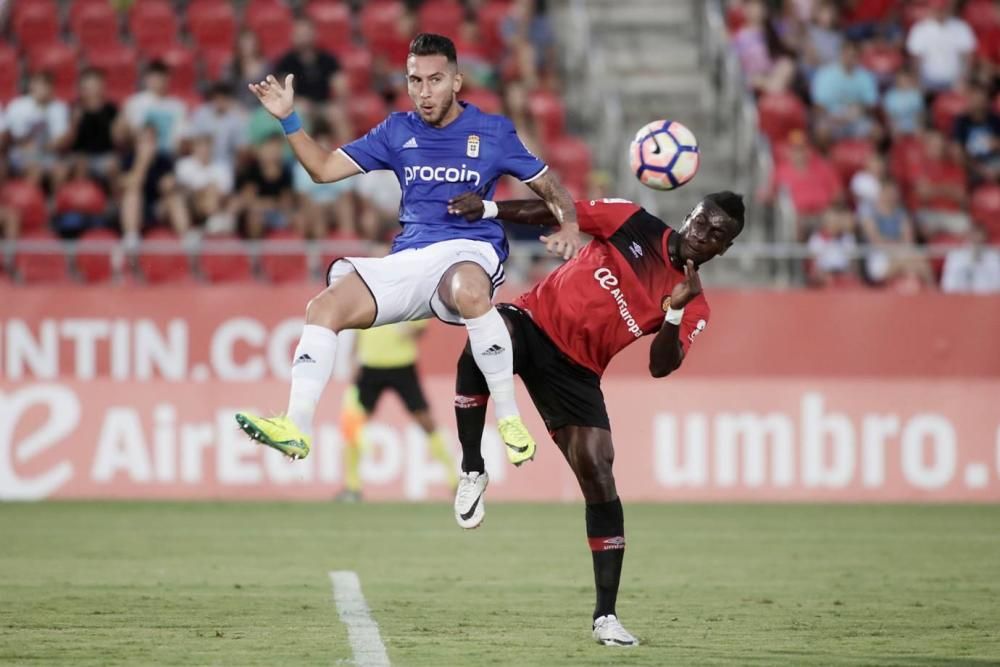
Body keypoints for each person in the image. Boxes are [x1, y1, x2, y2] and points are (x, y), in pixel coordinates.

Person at [234, 34, 581, 465]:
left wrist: (569, 223)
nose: (424, 91)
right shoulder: (396, 131)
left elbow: (550, 187)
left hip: (469, 248)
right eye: (415, 80)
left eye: (435, 80)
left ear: (456, 81)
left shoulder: (493, 131)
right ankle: (295, 426)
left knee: (471, 293)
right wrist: (289, 120)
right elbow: (323, 170)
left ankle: (509, 418)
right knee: (322, 308)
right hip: (411, 256)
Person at [446, 190, 745, 647]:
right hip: (532, 321)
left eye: (717, 235)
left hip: (578, 372)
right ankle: (472, 468)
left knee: (599, 470)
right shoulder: (631, 221)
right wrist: (489, 209)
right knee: (488, 331)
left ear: (723, 250)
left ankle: (606, 616)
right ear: (690, 216)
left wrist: (677, 308)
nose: (704, 235)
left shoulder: (695, 303)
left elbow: (661, 366)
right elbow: (557, 208)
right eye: (703, 222)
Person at [337, 321, 459, 502]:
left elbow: (421, 328)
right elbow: (358, 325)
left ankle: (455, 481)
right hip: (370, 365)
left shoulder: (406, 294)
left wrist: (410, 330)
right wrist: (353, 357)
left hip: (402, 365)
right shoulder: (368, 294)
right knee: (354, 424)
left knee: (426, 421)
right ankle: (352, 487)